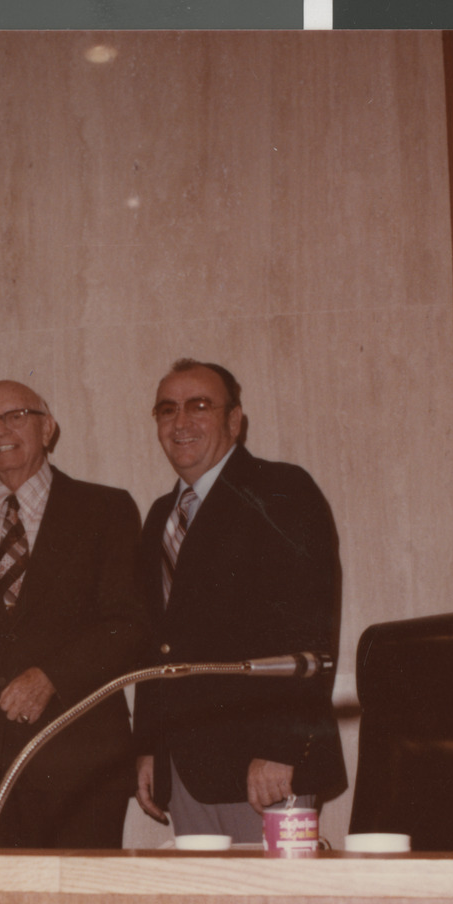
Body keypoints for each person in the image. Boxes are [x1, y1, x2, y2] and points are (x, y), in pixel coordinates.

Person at [0, 380, 145, 848]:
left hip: (82, 763)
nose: (1, 430)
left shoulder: (106, 508)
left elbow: (130, 624)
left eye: (17, 415)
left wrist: (52, 675)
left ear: (48, 428)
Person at [134, 359, 346, 841]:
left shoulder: (282, 491)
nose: (181, 421)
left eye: (199, 406)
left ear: (235, 421)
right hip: (185, 769)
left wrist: (283, 745)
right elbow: (158, 645)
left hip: (265, 769)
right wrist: (150, 748)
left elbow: (309, 630)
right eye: (167, 410)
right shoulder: (160, 517)